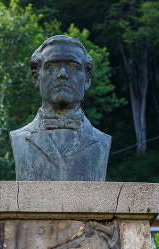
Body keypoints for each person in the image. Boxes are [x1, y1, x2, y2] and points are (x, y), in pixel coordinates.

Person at [10, 35, 111, 181]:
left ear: (87, 79)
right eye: (51, 67)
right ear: (36, 77)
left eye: (73, 67)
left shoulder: (102, 142)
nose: (62, 74)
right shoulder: (19, 139)